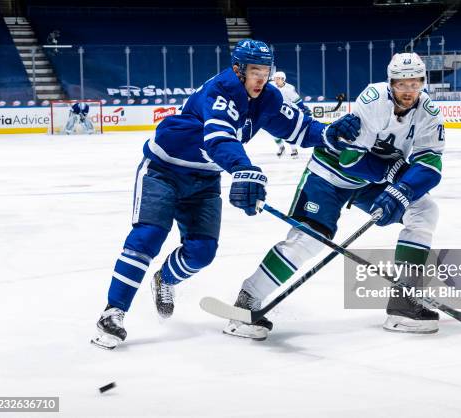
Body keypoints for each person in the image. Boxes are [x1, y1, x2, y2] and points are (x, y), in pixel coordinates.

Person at [90, 39, 361, 349]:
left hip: (204, 179)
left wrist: (329, 133)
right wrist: (243, 168)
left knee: (202, 252)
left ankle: (165, 278)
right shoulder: (221, 90)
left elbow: (300, 128)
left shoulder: (268, 97)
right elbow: (219, 138)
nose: (261, 78)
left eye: (266, 71)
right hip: (163, 170)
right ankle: (113, 313)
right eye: (255, 71)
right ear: (238, 69)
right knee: (148, 237)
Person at [223, 52, 445, 341]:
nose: (408, 90)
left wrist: (403, 190)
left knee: (424, 210)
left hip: (371, 179)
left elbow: (431, 162)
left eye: (414, 83)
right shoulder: (373, 99)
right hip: (329, 175)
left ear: (423, 83)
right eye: (401, 83)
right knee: (309, 239)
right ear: (391, 83)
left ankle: (404, 303)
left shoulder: (429, 112)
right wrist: (394, 176)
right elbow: (351, 158)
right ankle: (247, 300)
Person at [270, 71, 310, 158]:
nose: (275, 80)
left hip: (286, 113)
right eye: (275, 78)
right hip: (274, 112)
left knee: (289, 132)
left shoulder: (289, 88)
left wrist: (303, 108)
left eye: (277, 79)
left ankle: (294, 149)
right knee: (274, 132)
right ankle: (281, 148)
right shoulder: (271, 86)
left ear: (282, 79)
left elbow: (297, 100)